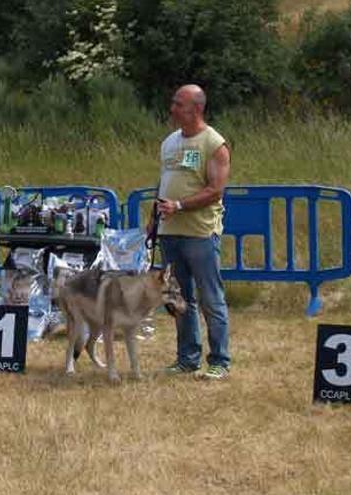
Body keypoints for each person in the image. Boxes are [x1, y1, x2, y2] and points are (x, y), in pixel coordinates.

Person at [151, 84, 232, 380]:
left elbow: (215, 190)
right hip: (169, 231)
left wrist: (180, 205)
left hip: (200, 233)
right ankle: (187, 358)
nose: (172, 109)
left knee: (211, 298)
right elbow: (163, 182)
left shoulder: (214, 144)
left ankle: (220, 360)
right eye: (173, 103)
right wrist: (154, 218)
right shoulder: (169, 142)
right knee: (179, 298)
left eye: (178, 104)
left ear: (196, 109)